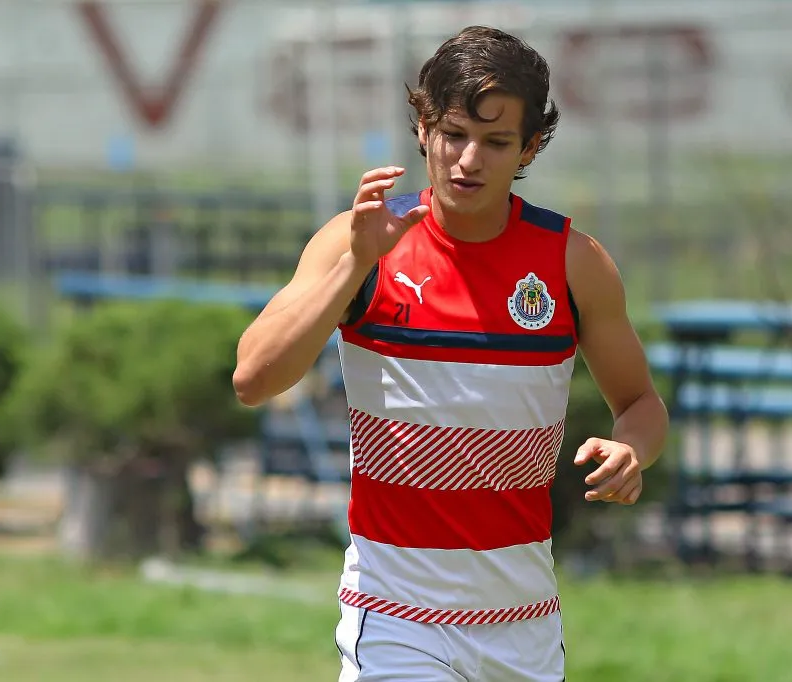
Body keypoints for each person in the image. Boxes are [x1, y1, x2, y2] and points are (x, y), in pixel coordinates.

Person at [232, 25, 669, 682]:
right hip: (396, 618)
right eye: (454, 135)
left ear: (531, 145)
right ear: (422, 127)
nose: (469, 160)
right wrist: (354, 266)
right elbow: (254, 378)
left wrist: (632, 449)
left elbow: (640, 403)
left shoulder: (572, 263)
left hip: (522, 628)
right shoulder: (359, 243)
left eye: (496, 143)